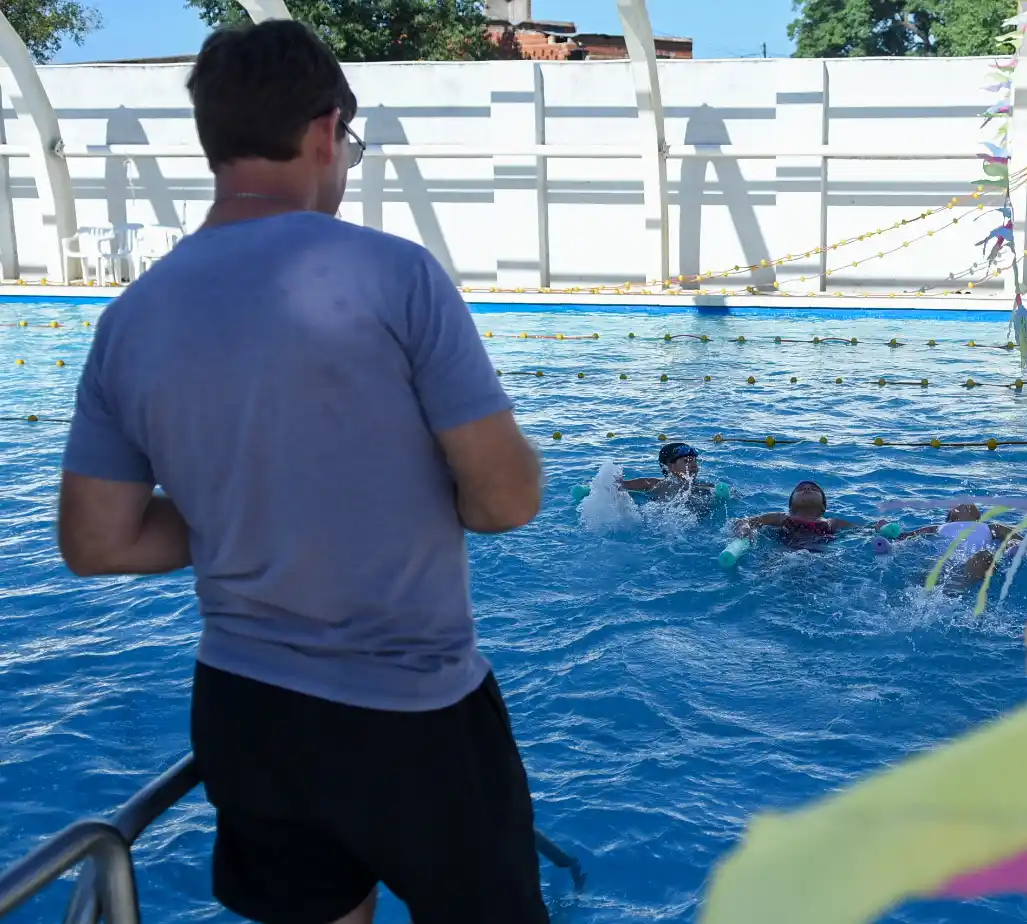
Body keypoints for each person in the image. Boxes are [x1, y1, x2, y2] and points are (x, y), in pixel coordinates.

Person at [57, 21, 548, 924]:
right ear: (325, 131)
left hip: (247, 712)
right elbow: (506, 498)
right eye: (349, 145)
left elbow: (96, 542)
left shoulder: (131, 316)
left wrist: (242, 503)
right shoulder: (396, 275)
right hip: (414, 712)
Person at [734, 480, 882, 550]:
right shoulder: (782, 517)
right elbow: (748, 521)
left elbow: (864, 530)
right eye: (801, 489)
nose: (807, 488)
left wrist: (881, 526)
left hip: (821, 556)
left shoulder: (833, 523)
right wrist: (745, 529)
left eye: (813, 489)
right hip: (786, 553)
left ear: (823, 506)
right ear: (791, 506)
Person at [897, 503, 1016, 584]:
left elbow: (1017, 538)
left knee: (983, 556)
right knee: (935, 564)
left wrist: (1013, 545)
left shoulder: (991, 527)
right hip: (947, 562)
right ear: (951, 517)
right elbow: (905, 536)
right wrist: (886, 528)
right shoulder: (938, 527)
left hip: (975, 561)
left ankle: (959, 584)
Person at [619, 442, 715, 501]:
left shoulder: (706, 487)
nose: (694, 465)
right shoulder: (653, 484)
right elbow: (618, 485)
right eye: (687, 461)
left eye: (695, 461)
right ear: (670, 466)